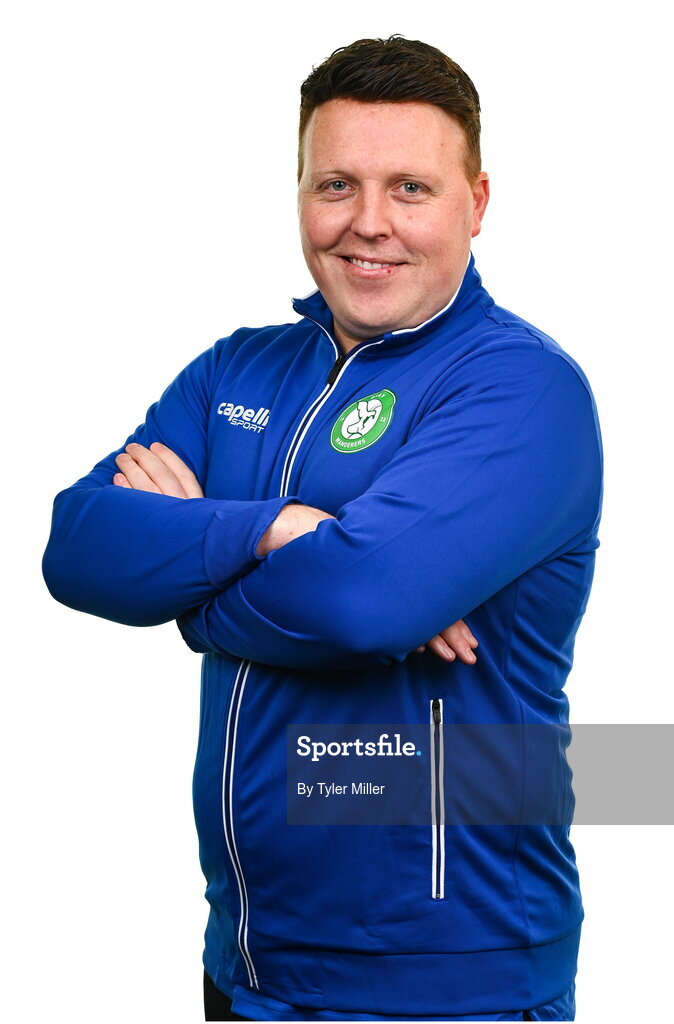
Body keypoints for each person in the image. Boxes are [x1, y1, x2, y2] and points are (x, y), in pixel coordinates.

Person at [42, 36, 602, 1022]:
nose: (368, 222)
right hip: (247, 960)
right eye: (336, 184)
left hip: (444, 982)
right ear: (300, 191)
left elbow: (358, 602)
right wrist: (277, 529)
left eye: (411, 189)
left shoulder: (519, 388)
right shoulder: (237, 370)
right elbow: (78, 547)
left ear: (475, 203)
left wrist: (196, 586)